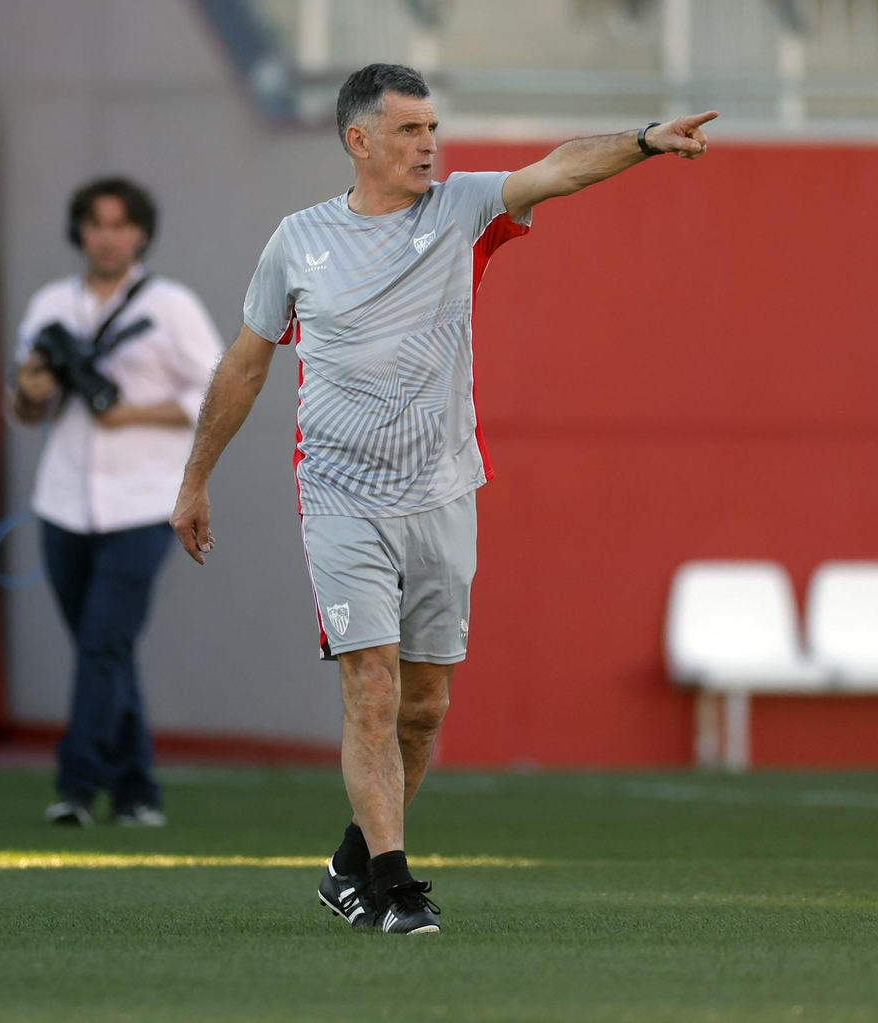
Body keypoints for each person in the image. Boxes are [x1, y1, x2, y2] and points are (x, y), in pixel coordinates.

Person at [170, 63, 716, 935]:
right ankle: (394, 886)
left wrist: (644, 142)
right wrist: (196, 477)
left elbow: (560, 168)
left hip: (441, 492)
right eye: (410, 130)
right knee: (372, 690)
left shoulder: (463, 208)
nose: (430, 144)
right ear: (359, 140)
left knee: (423, 707)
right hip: (339, 496)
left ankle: (348, 864)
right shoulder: (298, 241)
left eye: (433, 128)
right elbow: (245, 362)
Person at [10, 177, 224, 826]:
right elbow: (23, 408)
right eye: (95, 223)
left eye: (120, 224)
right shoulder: (52, 303)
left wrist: (129, 413)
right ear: (80, 230)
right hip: (63, 503)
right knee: (106, 648)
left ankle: (76, 785)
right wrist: (31, 384)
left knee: (104, 640)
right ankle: (137, 789)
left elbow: (215, 390)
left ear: (142, 233)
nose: (107, 236)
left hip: (143, 503)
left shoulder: (171, 305)